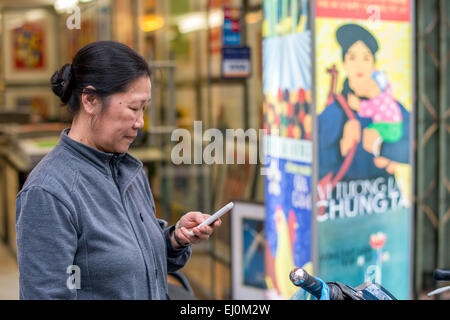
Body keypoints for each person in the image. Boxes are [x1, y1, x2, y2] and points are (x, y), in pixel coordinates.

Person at [15, 41, 221, 300]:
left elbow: (138, 265)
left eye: (144, 109)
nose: (140, 122)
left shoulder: (130, 171)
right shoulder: (48, 193)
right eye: (134, 108)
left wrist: (176, 239)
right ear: (90, 100)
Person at [318, 24, 410, 181]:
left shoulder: (392, 109)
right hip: (341, 201)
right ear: (344, 63)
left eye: (366, 57)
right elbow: (313, 165)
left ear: (373, 64)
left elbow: (416, 148)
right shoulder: (334, 111)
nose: (359, 65)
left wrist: (381, 147)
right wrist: (342, 146)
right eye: (352, 57)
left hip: (388, 201)